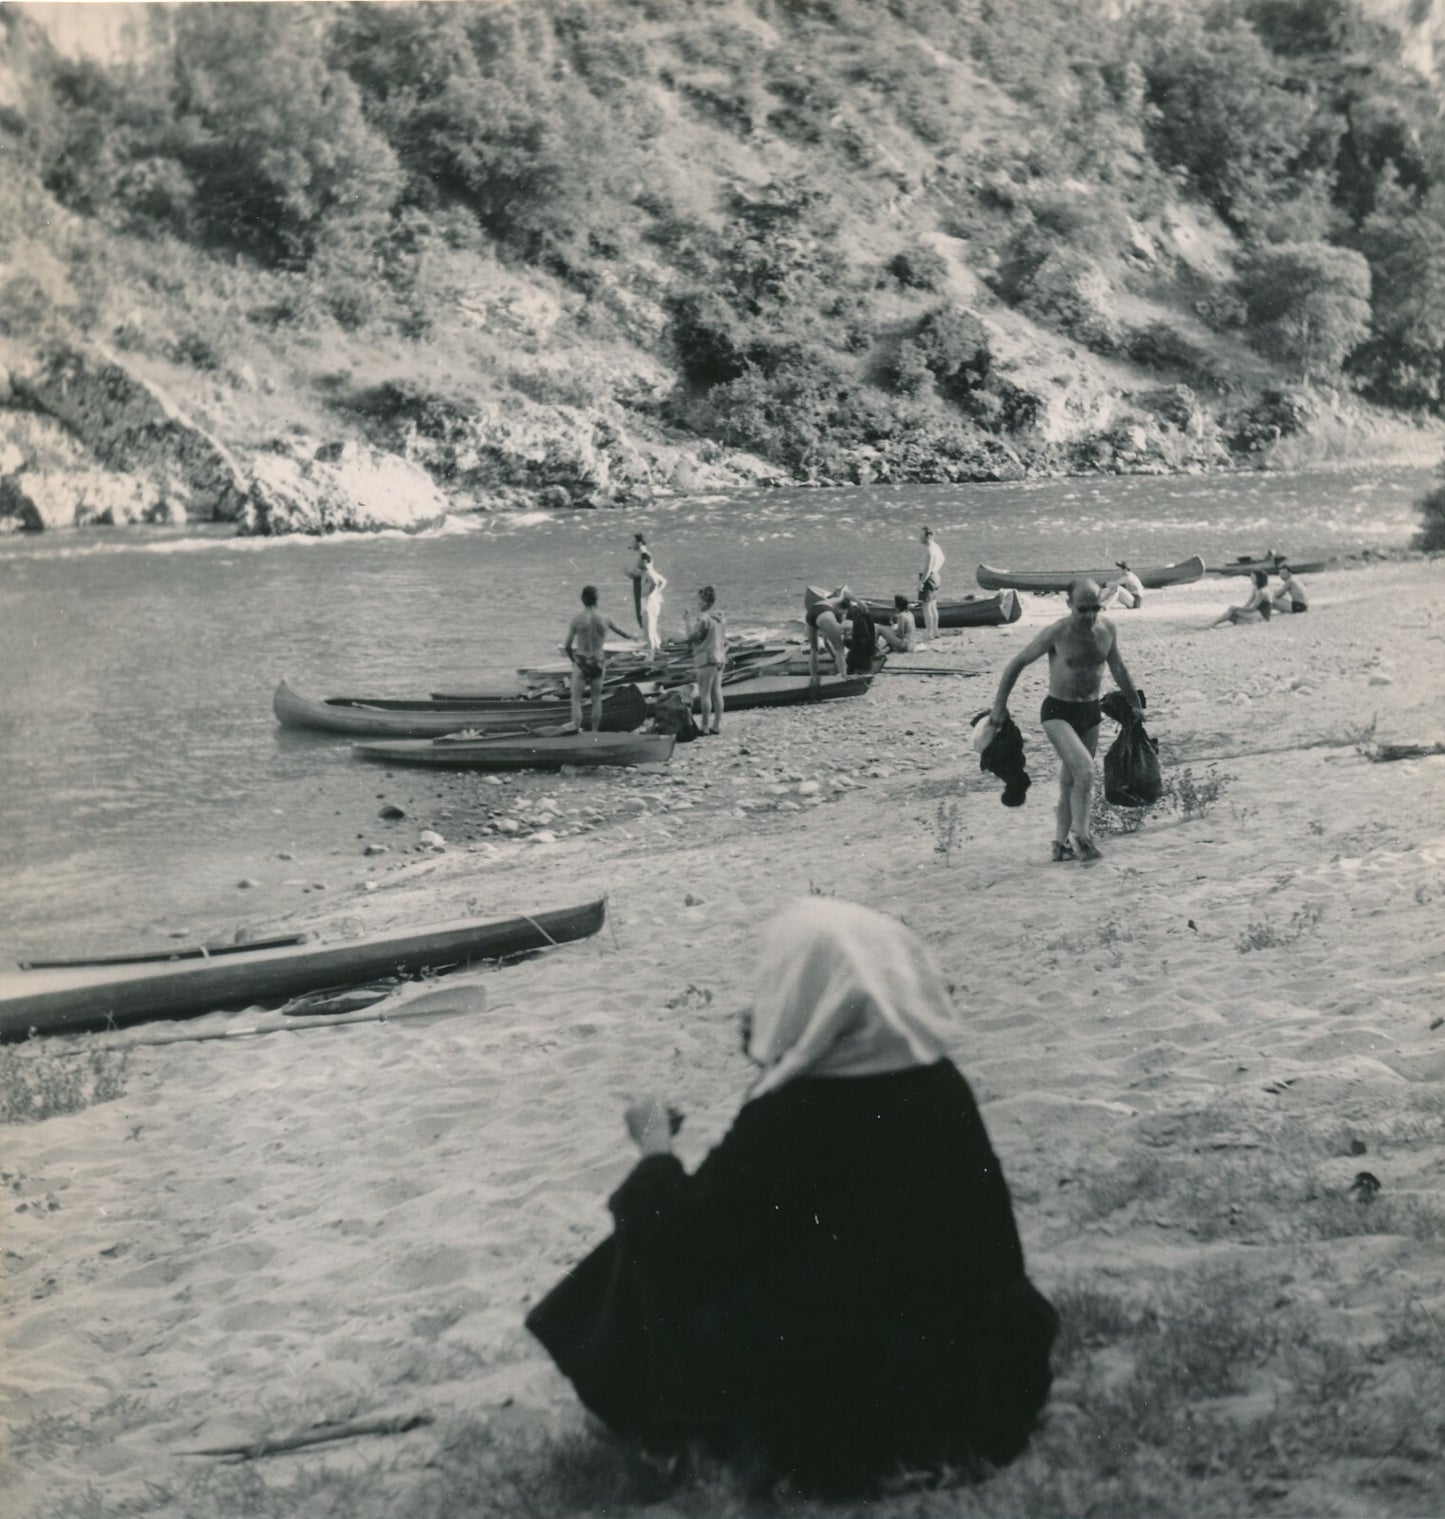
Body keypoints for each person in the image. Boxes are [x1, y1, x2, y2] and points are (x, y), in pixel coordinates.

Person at [525, 899, 1058, 1498]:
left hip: (876, 1410)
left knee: (645, 1237)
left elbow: (680, 1243)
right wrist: (780, 1055)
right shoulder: (936, 1080)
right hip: (990, 1378)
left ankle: (669, 1431)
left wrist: (654, 1147)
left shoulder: (796, 1114)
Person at [989, 577, 1143, 863]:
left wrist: (1134, 703)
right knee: (1085, 771)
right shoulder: (1057, 633)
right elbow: (1017, 663)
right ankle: (1083, 840)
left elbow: (1118, 667)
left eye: (1095, 608)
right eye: (1083, 609)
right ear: (1069, 604)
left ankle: (1059, 845)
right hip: (1057, 712)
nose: (1090, 615)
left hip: (1090, 713)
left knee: (1070, 781)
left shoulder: (1108, 629)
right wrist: (999, 706)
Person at [563, 585, 635, 733]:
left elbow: (567, 645)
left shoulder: (577, 619)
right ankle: (595, 732)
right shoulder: (606, 618)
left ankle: (576, 727)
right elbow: (621, 632)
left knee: (576, 699)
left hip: (582, 660)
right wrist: (633, 637)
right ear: (597, 600)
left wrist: (573, 660)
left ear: (582, 599)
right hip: (598, 660)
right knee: (596, 699)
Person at [684, 584, 727, 736]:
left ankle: (705, 726)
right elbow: (723, 638)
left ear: (704, 601)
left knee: (705, 694)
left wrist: (687, 621)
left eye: (699, 599)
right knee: (717, 692)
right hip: (719, 657)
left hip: (706, 658)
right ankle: (716, 725)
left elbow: (692, 638)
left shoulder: (703, 619)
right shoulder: (720, 618)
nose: (697, 602)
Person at [805, 588, 850, 683]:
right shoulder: (841, 608)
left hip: (811, 612)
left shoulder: (826, 602)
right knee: (839, 648)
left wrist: (834, 659)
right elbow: (838, 633)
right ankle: (844, 677)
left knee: (814, 649)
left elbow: (826, 642)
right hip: (824, 616)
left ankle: (813, 676)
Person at [638, 550, 668, 659]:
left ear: (646, 561)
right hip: (654, 602)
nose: (638, 562)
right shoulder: (653, 571)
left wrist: (649, 593)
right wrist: (657, 592)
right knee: (653, 630)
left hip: (648, 602)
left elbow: (654, 583)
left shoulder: (648, 572)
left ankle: (650, 658)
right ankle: (655, 653)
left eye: (640, 561)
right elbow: (664, 581)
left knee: (648, 631)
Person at [918, 526, 946, 643]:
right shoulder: (936, 546)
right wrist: (936, 569)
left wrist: (921, 582)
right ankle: (935, 631)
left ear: (927, 536)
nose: (919, 538)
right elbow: (943, 559)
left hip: (928, 578)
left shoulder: (930, 549)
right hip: (935, 576)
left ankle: (929, 633)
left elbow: (928, 568)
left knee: (926, 607)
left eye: (921, 535)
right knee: (933, 606)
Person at [843, 596, 877, 674]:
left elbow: (860, 640)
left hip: (859, 658)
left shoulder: (858, 621)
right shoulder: (867, 620)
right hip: (866, 656)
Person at [624, 533, 649, 628]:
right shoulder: (642, 553)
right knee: (641, 611)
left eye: (633, 542)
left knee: (641, 611)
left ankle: (648, 637)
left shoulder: (643, 554)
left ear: (638, 542)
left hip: (641, 585)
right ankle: (647, 636)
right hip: (640, 584)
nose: (631, 544)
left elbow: (646, 572)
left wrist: (630, 573)